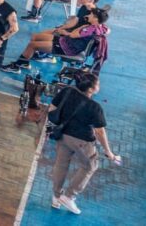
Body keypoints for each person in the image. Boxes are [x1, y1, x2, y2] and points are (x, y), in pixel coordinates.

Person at [47, 72, 119, 215]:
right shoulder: (94, 107)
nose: (99, 86)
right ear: (91, 89)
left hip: (62, 135)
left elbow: (52, 109)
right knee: (90, 165)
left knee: (61, 165)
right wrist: (108, 151)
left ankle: (56, 196)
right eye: (97, 84)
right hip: (82, 141)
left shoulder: (66, 91)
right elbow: (100, 132)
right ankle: (69, 196)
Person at [3, 8, 109, 73]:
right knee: (35, 36)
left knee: (32, 44)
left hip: (67, 48)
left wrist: (76, 28)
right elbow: (107, 30)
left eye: (91, 15)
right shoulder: (100, 27)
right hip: (65, 41)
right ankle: (26, 61)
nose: (88, 15)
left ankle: (18, 65)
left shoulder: (88, 29)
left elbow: (72, 35)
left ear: (95, 18)